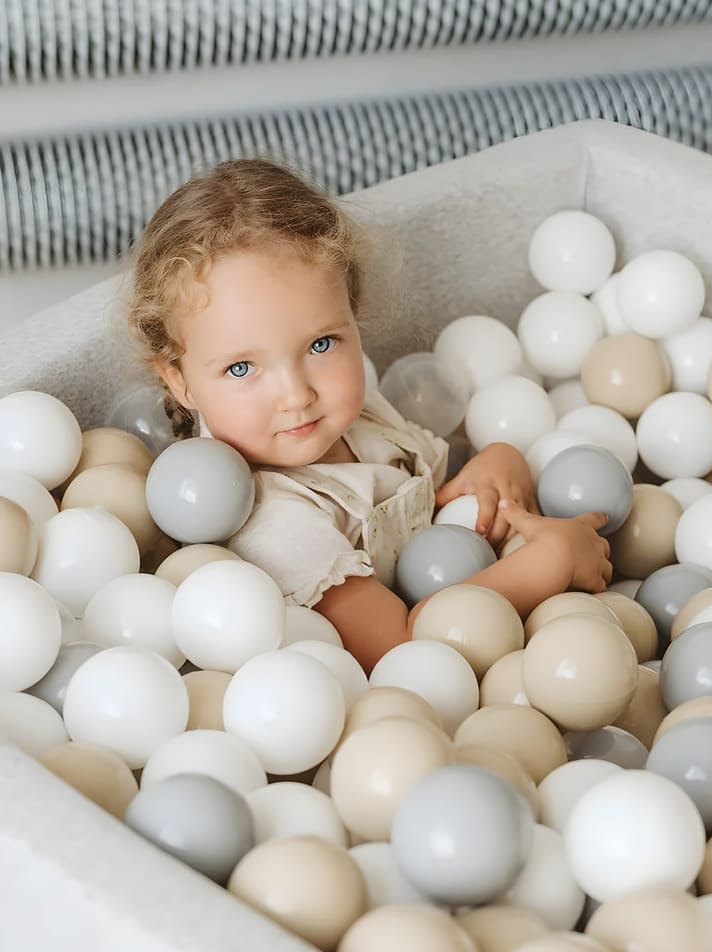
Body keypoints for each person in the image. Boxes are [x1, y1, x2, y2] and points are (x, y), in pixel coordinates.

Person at [129, 158, 612, 671]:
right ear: (178, 379)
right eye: (242, 367)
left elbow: (440, 498)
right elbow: (397, 649)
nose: (296, 395)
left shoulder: (356, 416)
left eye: (320, 344)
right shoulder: (273, 521)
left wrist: (496, 464)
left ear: (352, 316)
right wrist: (548, 564)